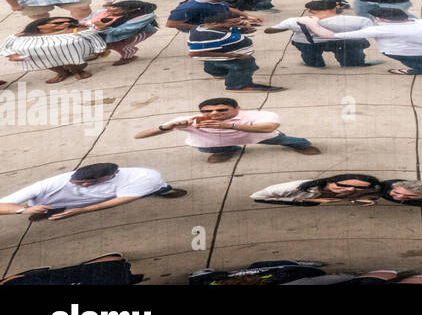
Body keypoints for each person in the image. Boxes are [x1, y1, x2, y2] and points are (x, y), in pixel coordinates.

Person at [135, 98, 320, 163]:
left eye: (222, 110)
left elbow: (270, 128)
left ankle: (302, 146)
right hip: (213, 144)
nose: (214, 114)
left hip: (255, 136)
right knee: (209, 149)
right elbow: (139, 136)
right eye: (207, 111)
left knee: (284, 139)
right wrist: (167, 126)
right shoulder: (188, 121)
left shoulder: (255, 114)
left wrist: (229, 126)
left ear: (237, 109)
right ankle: (228, 151)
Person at [0, 163, 185, 221]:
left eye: (90, 183)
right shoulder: (45, 186)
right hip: (57, 202)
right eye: (78, 182)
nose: (85, 185)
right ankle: (48, 210)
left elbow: (123, 200)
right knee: (41, 210)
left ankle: (165, 192)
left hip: (135, 189)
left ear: (114, 174)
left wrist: (82, 211)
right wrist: (22, 210)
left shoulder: (143, 177)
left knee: (158, 188)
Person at [305, 6, 422, 76]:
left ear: (381, 19)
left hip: (405, 52)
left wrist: (312, 24)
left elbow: (332, 36)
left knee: (418, 62)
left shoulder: (380, 29)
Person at [265, 0, 375, 68]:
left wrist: (289, 27)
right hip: (344, 43)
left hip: (308, 44)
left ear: (308, 10)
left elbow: (270, 31)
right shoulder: (360, 20)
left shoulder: (295, 21)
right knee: (354, 51)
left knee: (312, 59)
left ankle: (314, 63)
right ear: (336, 7)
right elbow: (369, 33)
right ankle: (354, 62)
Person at [3, 16, 105, 84]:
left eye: (68, 22)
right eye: (58, 23)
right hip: (45, 57)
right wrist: (12, 55)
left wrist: (99, 48)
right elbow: (5, 46)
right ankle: (62, 73)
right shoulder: (21, 36)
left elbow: (93, 37)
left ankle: (78, 71)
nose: (65, 24)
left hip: (72, 54)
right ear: (40, 25)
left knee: (72, 62)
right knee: (46, 61)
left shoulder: (76, 30)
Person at [83, 0, 158, 64]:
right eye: (109, 10)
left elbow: (126, 30)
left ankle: (128, 56)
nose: (110, 13)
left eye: (116, 11)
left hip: (137, 32)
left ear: (130, 10)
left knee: (119, 45)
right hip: (108, 31)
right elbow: (87, 19)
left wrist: (104, 28)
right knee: (102, 42)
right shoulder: (103, 12)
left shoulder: (142, 17)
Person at [251, 174, 382, 205]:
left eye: (358, 188)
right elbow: (257, 197)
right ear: (330, 181)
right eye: (342, 185)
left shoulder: (349, 192)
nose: (350, 189)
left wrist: (367, 200)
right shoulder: (291, 188)